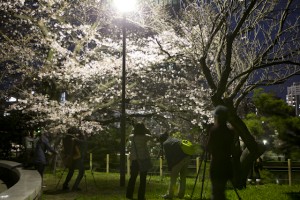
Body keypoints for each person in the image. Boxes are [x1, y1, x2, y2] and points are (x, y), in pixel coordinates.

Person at [207, 105, 235, 200]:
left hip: (216, 164)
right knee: (221, 190)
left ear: (217, 117)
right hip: (227, 164)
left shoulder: (214, 131)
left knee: (216, 191)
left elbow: (209, 147)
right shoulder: (231, 132)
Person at [159, 132, 191, 199]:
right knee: (183, 178)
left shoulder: (165, 144)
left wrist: (170, 167)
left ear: (162, 140)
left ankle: (170, 195)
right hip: (187, 157)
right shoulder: (174, 139)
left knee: (173, 178)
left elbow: (169, 157)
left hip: (179, 160)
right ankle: (180, 195)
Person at [126, 123, 152, 200]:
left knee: (132, 178)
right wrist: (146, 130)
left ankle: (129, 195)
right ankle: (141, 196)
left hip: (135, 160)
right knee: (143, 179)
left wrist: (134, 130)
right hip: (143, 159)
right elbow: (151, 135)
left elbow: (131, 134)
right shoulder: (146, 137)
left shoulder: (132, 137)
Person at [62, 127, 87, 191]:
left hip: (70, 157)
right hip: (76, 157)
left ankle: (65, 185)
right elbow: (84, 142)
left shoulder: (65, 138)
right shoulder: (73, 139)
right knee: (81, 171)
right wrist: (81, 135)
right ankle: (75, 186)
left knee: (71, 171)